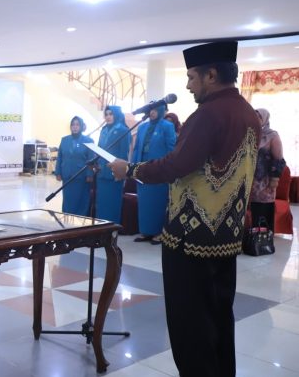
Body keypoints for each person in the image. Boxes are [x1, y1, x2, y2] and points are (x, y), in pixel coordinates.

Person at [110, 41, 260, 377]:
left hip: (190, 241)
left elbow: (176, 165)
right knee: (219, 319)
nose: (189, 85)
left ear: (211, 75)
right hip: (226, 239)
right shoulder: (248, 113)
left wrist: (129, 170)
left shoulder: (207, 114)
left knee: (190, 326)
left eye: (192, 77)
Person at [131, 104, 176, 244]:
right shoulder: (142, 127)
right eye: (151, 109)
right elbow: (137, 148)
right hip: (142, 169)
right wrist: (133, 167)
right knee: (144, 203)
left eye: (155, 110)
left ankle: (158, 233)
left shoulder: (167, 126)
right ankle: (146, 231)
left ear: (161, 111)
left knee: (157, 202)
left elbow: (171, 148)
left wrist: (169, 168)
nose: (152, 112)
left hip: (158, 170)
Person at [249, 108, 285, 233]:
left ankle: (263, 240)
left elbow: (278, 160)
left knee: (262, 214)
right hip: (249, 183)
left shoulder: (272, 136)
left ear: (265, 119)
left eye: (259, 116)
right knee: (251, 213)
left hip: (264, 184)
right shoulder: (249, 134)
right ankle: (250, 239)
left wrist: (274, 181)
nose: (255, 118)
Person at [96, 105, 131, 224]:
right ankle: (100, 229)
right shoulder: (103, 130)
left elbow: (124, 153)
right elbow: (99, 149)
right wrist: (96, 164)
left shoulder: (123, 130)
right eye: (106, 114)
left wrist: (120, 173)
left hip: (114, 173)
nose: (108, 117)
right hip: (102, 172)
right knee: (102, 204)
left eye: (111, 114)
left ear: (117, 114)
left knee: (112, 204)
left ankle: (111, 230)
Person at [55, 116, 94, 216]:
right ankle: (67, 220)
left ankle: (80, 222)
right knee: (68, 201)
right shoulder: (64, 140)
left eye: (77, 125)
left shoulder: (89, 141)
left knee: (81, 202)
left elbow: (91, 159)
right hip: (67, 177)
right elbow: (60, 157)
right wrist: (58, 172)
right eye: (73, 125)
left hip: (81, 178)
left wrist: (90, 174)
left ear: (81, 126)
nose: (75, 127)